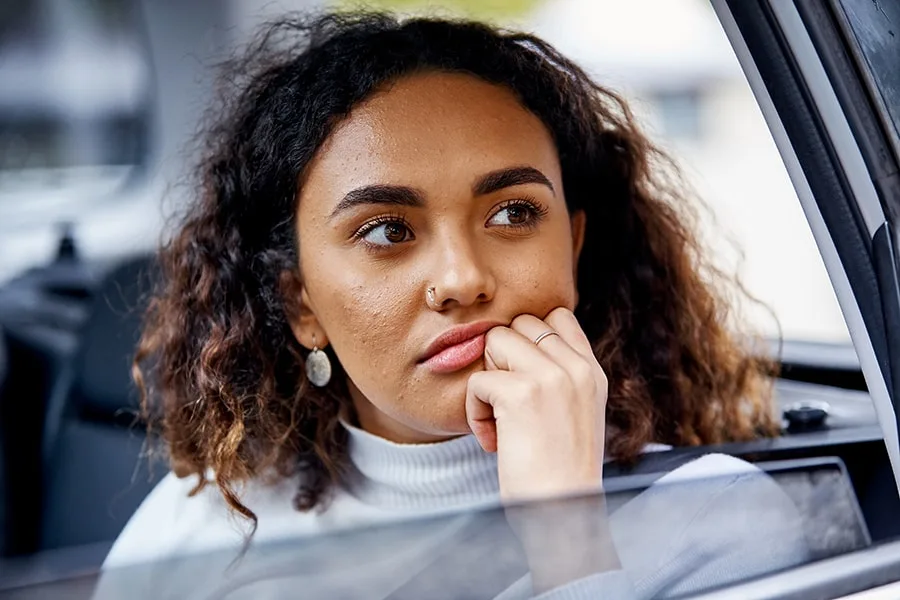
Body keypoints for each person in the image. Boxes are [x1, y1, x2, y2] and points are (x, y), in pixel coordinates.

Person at [96, 11, 809, 599]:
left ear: (574, 247)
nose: (463, 278)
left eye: (512, 214)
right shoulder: (199, 536)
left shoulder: (714, 515)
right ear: (301, 304)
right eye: (387, 231)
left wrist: (566, 534)